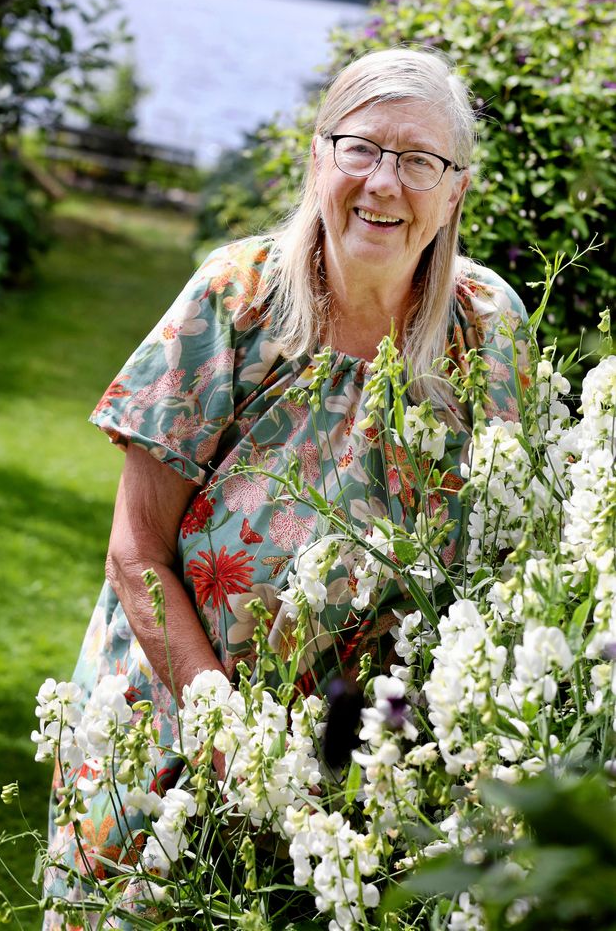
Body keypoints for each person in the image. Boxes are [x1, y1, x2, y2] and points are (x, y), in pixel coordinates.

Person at [43, 46, 528, 922]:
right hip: (172, 728)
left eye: (418, 160)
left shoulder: (487, 328)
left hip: (363, 773)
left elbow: (505, 554)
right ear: (318, 155)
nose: (384, 183)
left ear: (455, 189)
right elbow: (135, 552)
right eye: (359, 148)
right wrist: (229, 732)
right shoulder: (236, 299)